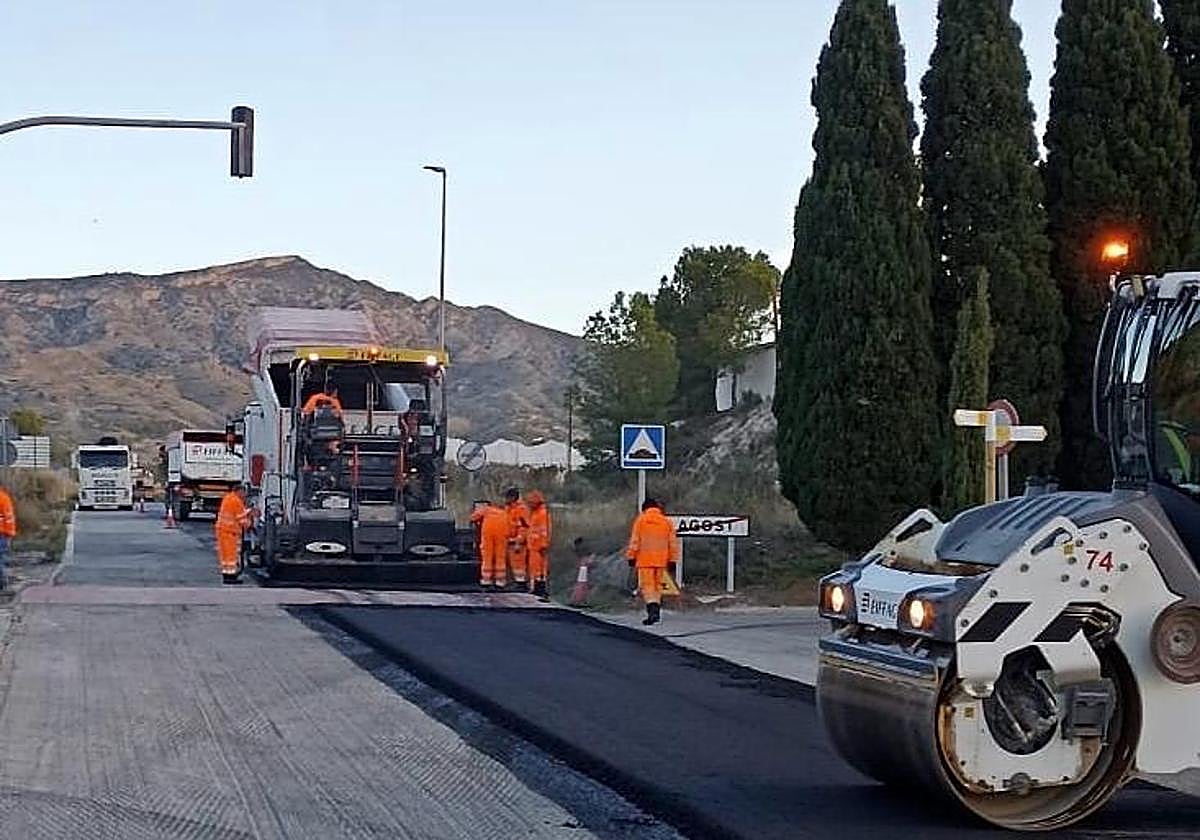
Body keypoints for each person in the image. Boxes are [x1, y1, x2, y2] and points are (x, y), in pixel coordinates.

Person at [626, 498, 680, 626]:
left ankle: (652, 610)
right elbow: (673, 543)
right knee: (657, 586)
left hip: (645, 560)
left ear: (644, 509)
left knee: (648, 586)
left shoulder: (641, 520)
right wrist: (673, 560)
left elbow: (635, 541)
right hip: (661, 560)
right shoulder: (666, 522)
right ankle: (656, 610)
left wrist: (631, 557)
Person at [215, 486, 255, 584]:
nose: (244, 496)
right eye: (244, 493)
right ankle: (231, 577)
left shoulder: (228, 498)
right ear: (239, 491)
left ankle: (226, 574)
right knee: (231, 556)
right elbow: (241, 519)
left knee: (225, 555)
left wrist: (247, 511)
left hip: (222, 530)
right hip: (230, 532)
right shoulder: (237, 501)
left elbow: (234, 513)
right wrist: (250, 525)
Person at [470, 500, 510, 590]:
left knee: (487, 557)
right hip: (502, 535)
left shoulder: (486, 510)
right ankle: (500, 582)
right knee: (500, 558)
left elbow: (473, 518)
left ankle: (486, 581)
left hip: (488, 536)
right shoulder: (505, 513)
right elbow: (510, 525)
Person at [525, 490, 551, 600]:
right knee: (535, 569)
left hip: (538, 546)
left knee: (539, 569)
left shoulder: (541, 513)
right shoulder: (535, 513)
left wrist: (544, 544)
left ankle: (540, 589)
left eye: (531, 503)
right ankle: (537, 588)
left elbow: (544, 530)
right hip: (534, 546)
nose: (529, 505)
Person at [505, 487, 530, 588]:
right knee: (514, 565)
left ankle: (521, 584)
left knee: (519, 565)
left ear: (513, 497)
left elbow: (524, 527)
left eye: (508, 498)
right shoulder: (509, 508)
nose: (506, 500)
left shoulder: (521, 509)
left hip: (518, 542)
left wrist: (519, 542)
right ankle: (517, 582)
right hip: (510, 541)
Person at [0, 482, 15, 591]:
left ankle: (2, 582)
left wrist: (9, 534)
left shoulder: (3, 498)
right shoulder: (4, 498)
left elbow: (8, 517)